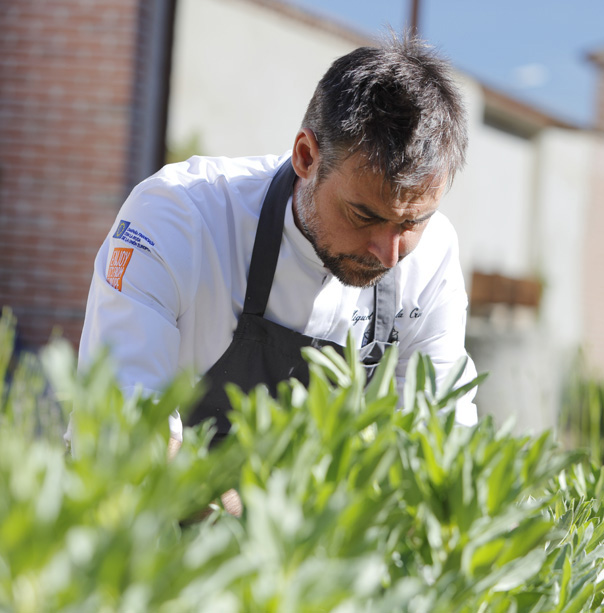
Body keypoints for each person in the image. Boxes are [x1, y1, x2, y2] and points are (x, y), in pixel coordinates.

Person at [76, 35, 478, 450]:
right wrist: (259, 507)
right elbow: (123, 438)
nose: (389, 254)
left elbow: (442, 441)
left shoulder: (432, 255)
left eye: (412, 222)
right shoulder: (175, 217)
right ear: (305, 156)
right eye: (364, 216)